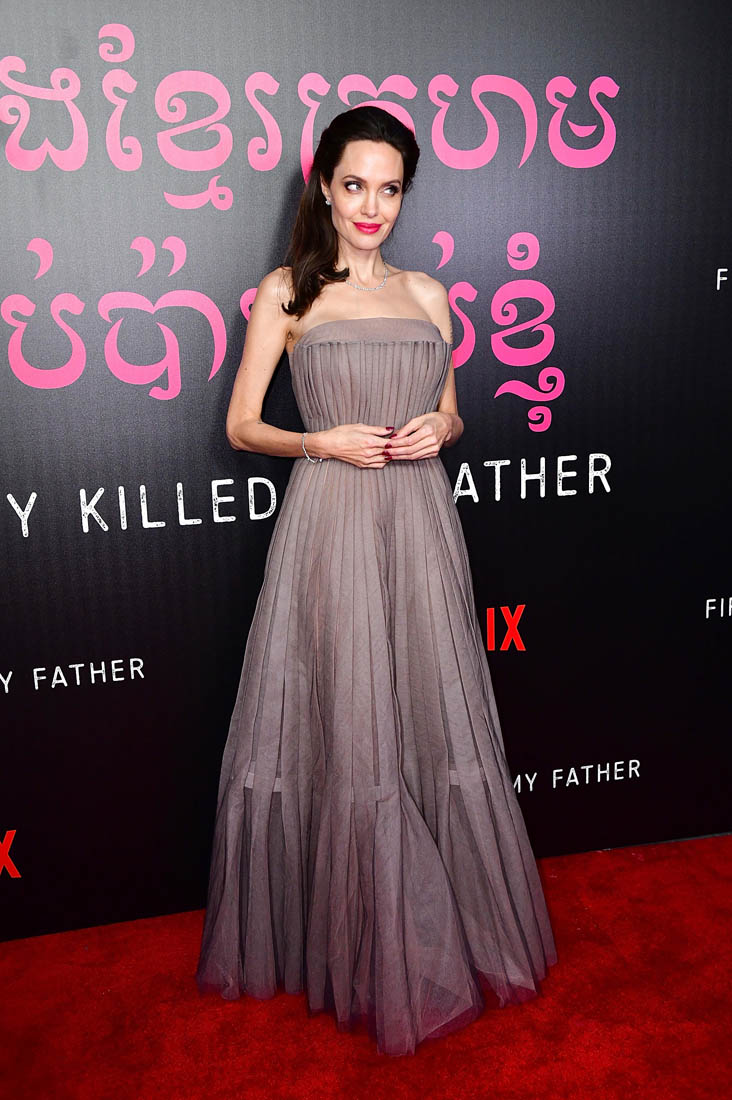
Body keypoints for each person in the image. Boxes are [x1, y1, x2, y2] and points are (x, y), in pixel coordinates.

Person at [195, 104, 557, 1057]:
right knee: (349, 721)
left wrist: (445, 427)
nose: (371, 206)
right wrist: (320, 440)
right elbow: (241, 425)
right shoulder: (286, 292)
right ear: (323, 186)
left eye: (389, 189)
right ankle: (355, 943)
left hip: (420, 523)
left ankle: (443, 925)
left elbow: (451, 412)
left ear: (404, 196)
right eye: (354, 184)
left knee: (430, 713)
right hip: (331, 518)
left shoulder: (430, 293)